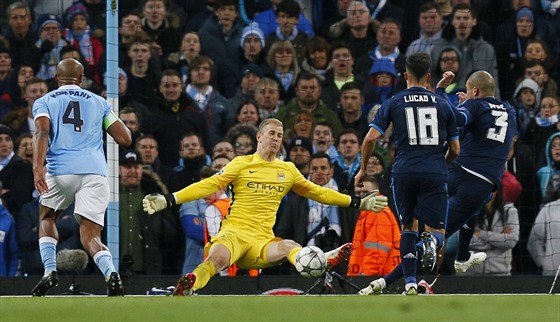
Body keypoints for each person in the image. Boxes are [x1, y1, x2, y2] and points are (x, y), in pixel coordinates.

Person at [142, 118, 388, 296]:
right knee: (216, 259)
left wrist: (357, 202)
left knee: (289, 246)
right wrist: (169, 199)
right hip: (234, 235)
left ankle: (318, 260)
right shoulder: (240, 163)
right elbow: (208, 185)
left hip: (262, 242)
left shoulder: (287, 170)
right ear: (259, 136)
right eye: (271, 133)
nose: (276, 139)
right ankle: (189, 286)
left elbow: (318, 192)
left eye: (280, 135)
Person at [359, 69, 517, 295]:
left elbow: (456, 118)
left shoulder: (474, 106)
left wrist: (441, 91)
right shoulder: (510, 111)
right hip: (480, 184)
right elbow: (484, 127)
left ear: (474, 90)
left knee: (417, 226)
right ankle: (386, 282)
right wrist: (467, 105)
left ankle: (460, 258)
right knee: (435, 240)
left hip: (453, 171)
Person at [355, 52, 461, 295]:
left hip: (403, 172)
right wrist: (441, 163)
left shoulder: (393, 102)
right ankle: (429, 245)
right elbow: (456, 149)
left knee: (408, 227)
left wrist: (362, 169)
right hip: (434, 172)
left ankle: (410, 281)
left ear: (405, 75)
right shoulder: (443, 104)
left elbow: (370, 138)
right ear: (428, 76)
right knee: (438, 235)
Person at [31, 58, 132, 296]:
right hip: (95, 172)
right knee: (90, 235)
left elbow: (42, 131)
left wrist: (38, 168)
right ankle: (111, 274)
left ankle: (50, 271)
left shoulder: (44, 101)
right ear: (81, 78)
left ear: (56, 78)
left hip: (60, 170)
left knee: (47, 217)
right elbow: (125, 138)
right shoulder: (100, 102)